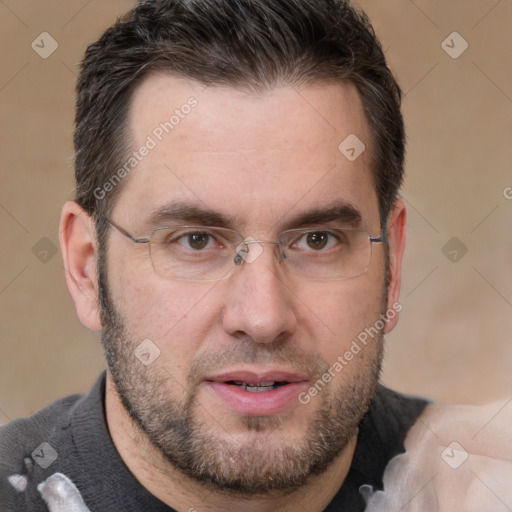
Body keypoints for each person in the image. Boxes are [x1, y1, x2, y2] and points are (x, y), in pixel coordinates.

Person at [1, 1, 510, 511]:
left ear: (392, 265)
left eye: (318, 240)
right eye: (196, 240)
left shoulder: (479, 487)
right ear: (88, 269)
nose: (263, 317)